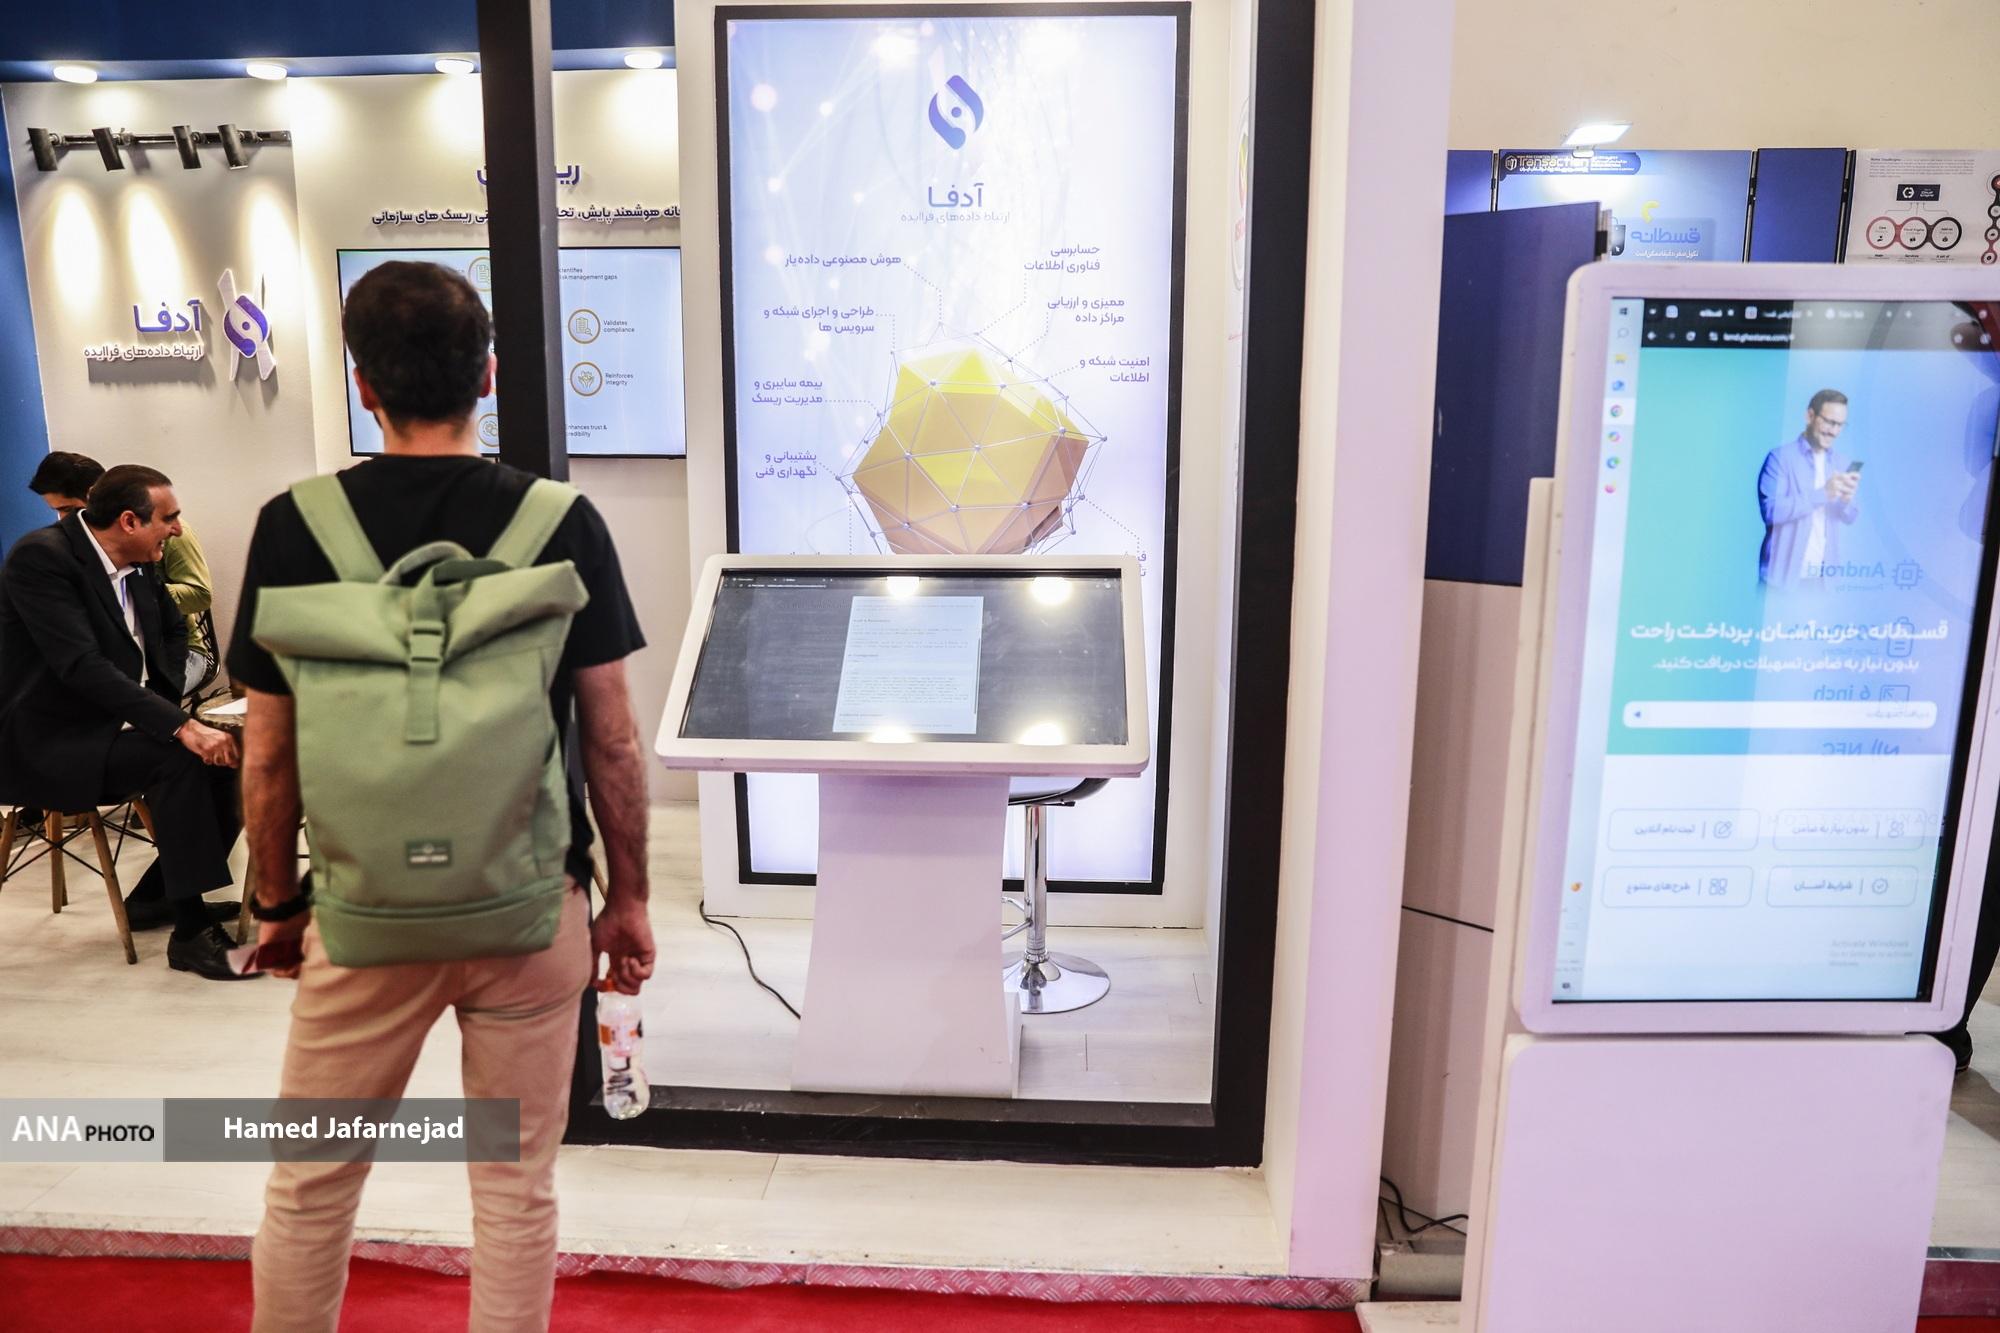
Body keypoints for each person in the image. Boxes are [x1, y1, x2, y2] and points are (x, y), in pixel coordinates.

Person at [235, 260, 657, 1333]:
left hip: (364, 917)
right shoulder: (561, 520)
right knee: (515, 1188)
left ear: (363, 385)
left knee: (311, 1185)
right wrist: (629, 901)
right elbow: (612, 740)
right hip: (530, 906)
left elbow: (269, 758)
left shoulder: (294, 524)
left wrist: (276, 905)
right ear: (490, 375)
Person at [0, 465, 247, 972]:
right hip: (48, 738)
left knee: (230, 760)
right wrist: (178, 725)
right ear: (130, 521)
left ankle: (156, 897)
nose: (177, 529)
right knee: (178, 758)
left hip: (117, 723)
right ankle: (191, 933)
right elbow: (79, 665)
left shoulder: (141, 561)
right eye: (169, 518)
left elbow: (174, 632)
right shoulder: (41, 559)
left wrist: (162, 705)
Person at [28, 451, 216, 667]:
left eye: (69, 509)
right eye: (58, 511)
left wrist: (133, 593)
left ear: (95, 497)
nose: (64, 520)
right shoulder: (69, 547)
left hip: (179, 652)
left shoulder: (168, 532)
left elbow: (201, 595)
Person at [1757, 389, 1860, 587]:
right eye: (1829, 422)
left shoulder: (1842, 462)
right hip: (1781, 583)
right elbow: (1771, 511)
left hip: (1824, 583)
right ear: (1810, 416)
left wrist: (1846, 501)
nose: (1834, 431)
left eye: (1840, 425)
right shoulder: (1780, 458)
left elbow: (1850, 517)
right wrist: (1822, 494)